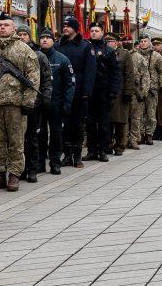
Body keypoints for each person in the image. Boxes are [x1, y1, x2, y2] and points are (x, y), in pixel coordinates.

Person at [0, 14, 39, 191]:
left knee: (16, 141)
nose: (2, 28)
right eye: (0, 25)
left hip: (15, 103)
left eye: (6, 25)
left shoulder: (23, 50)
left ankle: (14, 174)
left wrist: (28, 102)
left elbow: (33, 77)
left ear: (13, 29)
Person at [56, 16, 95, 168]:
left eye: (68, 26)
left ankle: (77, 156)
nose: (65, 28)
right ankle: (67, 155)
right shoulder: (60, 44)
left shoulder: (85, 46)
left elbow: (90, 70)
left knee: (78, 124)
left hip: (79, 91)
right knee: (65, 124)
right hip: (64, 91)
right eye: (64, 25)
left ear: (75, 28)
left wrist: (86, 91)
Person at [18, 25, 52, 179]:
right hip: (16, 103)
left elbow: (46, 80)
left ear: (30, 36)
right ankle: (19, 169)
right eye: (19, 34)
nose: (22, 37)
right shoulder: (11, 54)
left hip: (34, 103)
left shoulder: (39, 56)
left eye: (25, 34)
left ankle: (33, 169)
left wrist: (45, 99)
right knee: (17, 139)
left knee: (32, 138)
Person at [38, 28, 74, 174]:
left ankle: (55, 162)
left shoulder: (62, 59)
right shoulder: (34, 57)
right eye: (42, 37)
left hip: (56, 104)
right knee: (39, 135)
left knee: (56, 134)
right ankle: (39, 163)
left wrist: (67, 103)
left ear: (53, 40)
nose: (45, 40)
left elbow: (70, 83)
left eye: (48, 37)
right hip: (39, 104)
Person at [83, 23, 120, 161]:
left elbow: (115, 73)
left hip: (104, 93)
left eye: (96, 31)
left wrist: (113, 91)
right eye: (91, 30)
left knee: (104, 124)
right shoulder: (86, 48)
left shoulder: (109, 51)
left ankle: (103, 150)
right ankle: (92, 150)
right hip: (89, 92)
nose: (93, 33)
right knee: (90, 124)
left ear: (102, 33)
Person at [134, 35, 162, 144]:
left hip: (152, 88)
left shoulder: (156, 56)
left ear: (149, 43)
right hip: (139, 88)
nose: (143, 43)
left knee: (151, 113)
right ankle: (141, 134)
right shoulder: (135, 55)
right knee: (139, 112)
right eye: (141, 41)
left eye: (145, 41)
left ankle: (149, 134)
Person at [108, 33, 134, 156]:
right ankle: (107, 144)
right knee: (106, 121)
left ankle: (120, 145)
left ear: (117, 42)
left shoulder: (124, 54)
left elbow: (129, 75)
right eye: (106, 40)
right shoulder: (103, 53)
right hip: (106, 91)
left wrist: (128, 92)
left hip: (120, 92)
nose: (109, 43)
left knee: (120, 121)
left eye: (111, 41)